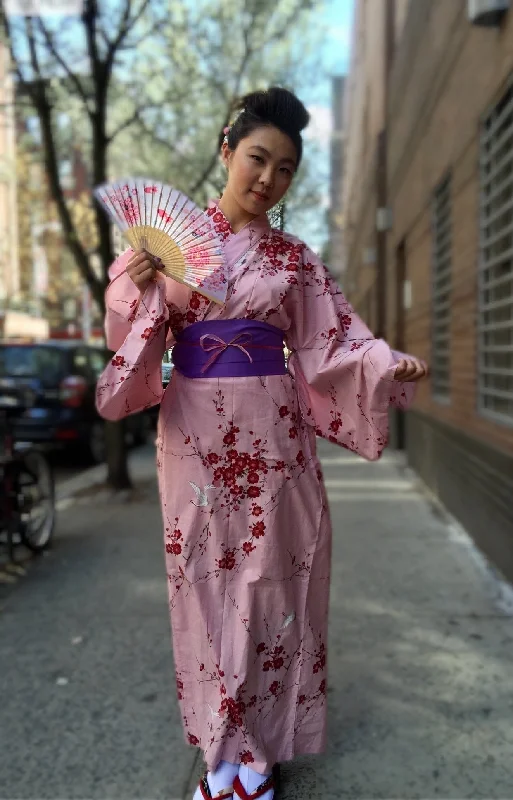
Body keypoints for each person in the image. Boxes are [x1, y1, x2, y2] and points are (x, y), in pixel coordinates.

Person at [96, 87, 427, 800]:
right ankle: (222, 746)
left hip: (272, 435)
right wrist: (135, 283)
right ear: (226, 151)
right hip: (192, 433)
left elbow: (335, 337)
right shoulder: (167, 246)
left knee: (275, 581)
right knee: (206, 584)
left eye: (284, 168)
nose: (267, 179)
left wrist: (381, 362)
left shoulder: (295, 259)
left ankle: (262, 751)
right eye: (256, 158)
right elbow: (130, 337)